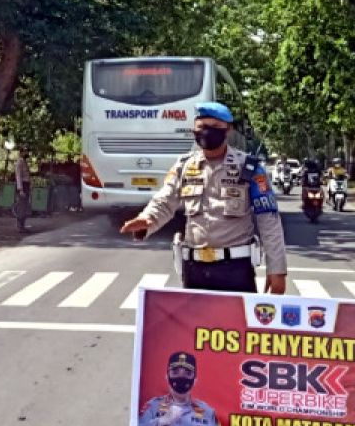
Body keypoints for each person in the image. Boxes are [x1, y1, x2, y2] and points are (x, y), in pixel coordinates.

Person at [119, 102, 287, 294]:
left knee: (235, 323)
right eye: (202, 127)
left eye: (215, 128)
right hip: (194, 269)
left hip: (236, 270)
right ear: (193, 130)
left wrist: (277, 270)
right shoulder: (183, 165)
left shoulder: (249, 167)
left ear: (228, 130)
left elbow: (268, 220)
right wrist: (148, 219)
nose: (207, 133)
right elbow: (165, 200)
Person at [137, 352, 228, 426]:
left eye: (187, 374)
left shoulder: (208, 413)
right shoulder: (152, 407)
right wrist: (161, 422)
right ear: (166, 376)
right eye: (175, 373)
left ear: (195, 380)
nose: (181, 378)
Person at [14, 149, 31, 233]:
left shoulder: (24, 162)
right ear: (21, 153)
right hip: (22, 186)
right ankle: (20, 226)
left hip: (26, 185)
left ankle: (22, 226)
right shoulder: (19, 162)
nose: (27, 153)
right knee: (21, 206)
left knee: (25, 207)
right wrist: (20, 189)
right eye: (25, 151)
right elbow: (18, 176)